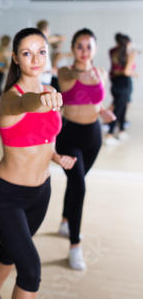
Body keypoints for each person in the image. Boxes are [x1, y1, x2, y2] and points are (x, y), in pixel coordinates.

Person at [0, 28, 76, 299]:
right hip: (6, 196)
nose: (35, 59)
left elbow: (45, 139)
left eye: (41, 52)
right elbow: (26, 103)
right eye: (27, 53)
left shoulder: (50, 90)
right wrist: (40, 100)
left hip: (40, 194)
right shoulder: (11, 98)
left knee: (9, 251)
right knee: (31, 270)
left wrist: (57, 156)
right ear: (15, 58)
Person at [55, 28, 115, 270]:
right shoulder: (66, 71)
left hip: (93, 136)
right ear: (73, 49)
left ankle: (65, 221)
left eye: (89, 47)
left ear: (96, 49)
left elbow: (96, 99)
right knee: (79, 185)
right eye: (80, 46)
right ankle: (75, 245)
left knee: (76, 182)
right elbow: (71, 87)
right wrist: (86, 72)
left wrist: (102, 111)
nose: (84, 51)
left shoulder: (101, 72)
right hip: (69, 136)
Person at [106, 33, 138, 145]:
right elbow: (126, 72)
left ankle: (121, 130)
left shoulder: (113, 52)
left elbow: (116, 71)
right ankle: (110, 133)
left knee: (120, 106)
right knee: (119, 108)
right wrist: (135, 74)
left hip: (116, 83)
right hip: (124, 83)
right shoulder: (129, 55)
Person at [36, 20, 65, 86]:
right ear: (47, 29)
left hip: (45, 79)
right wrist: (49, 71)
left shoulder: (44, 43)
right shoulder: (41, 42)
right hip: (43, 79)